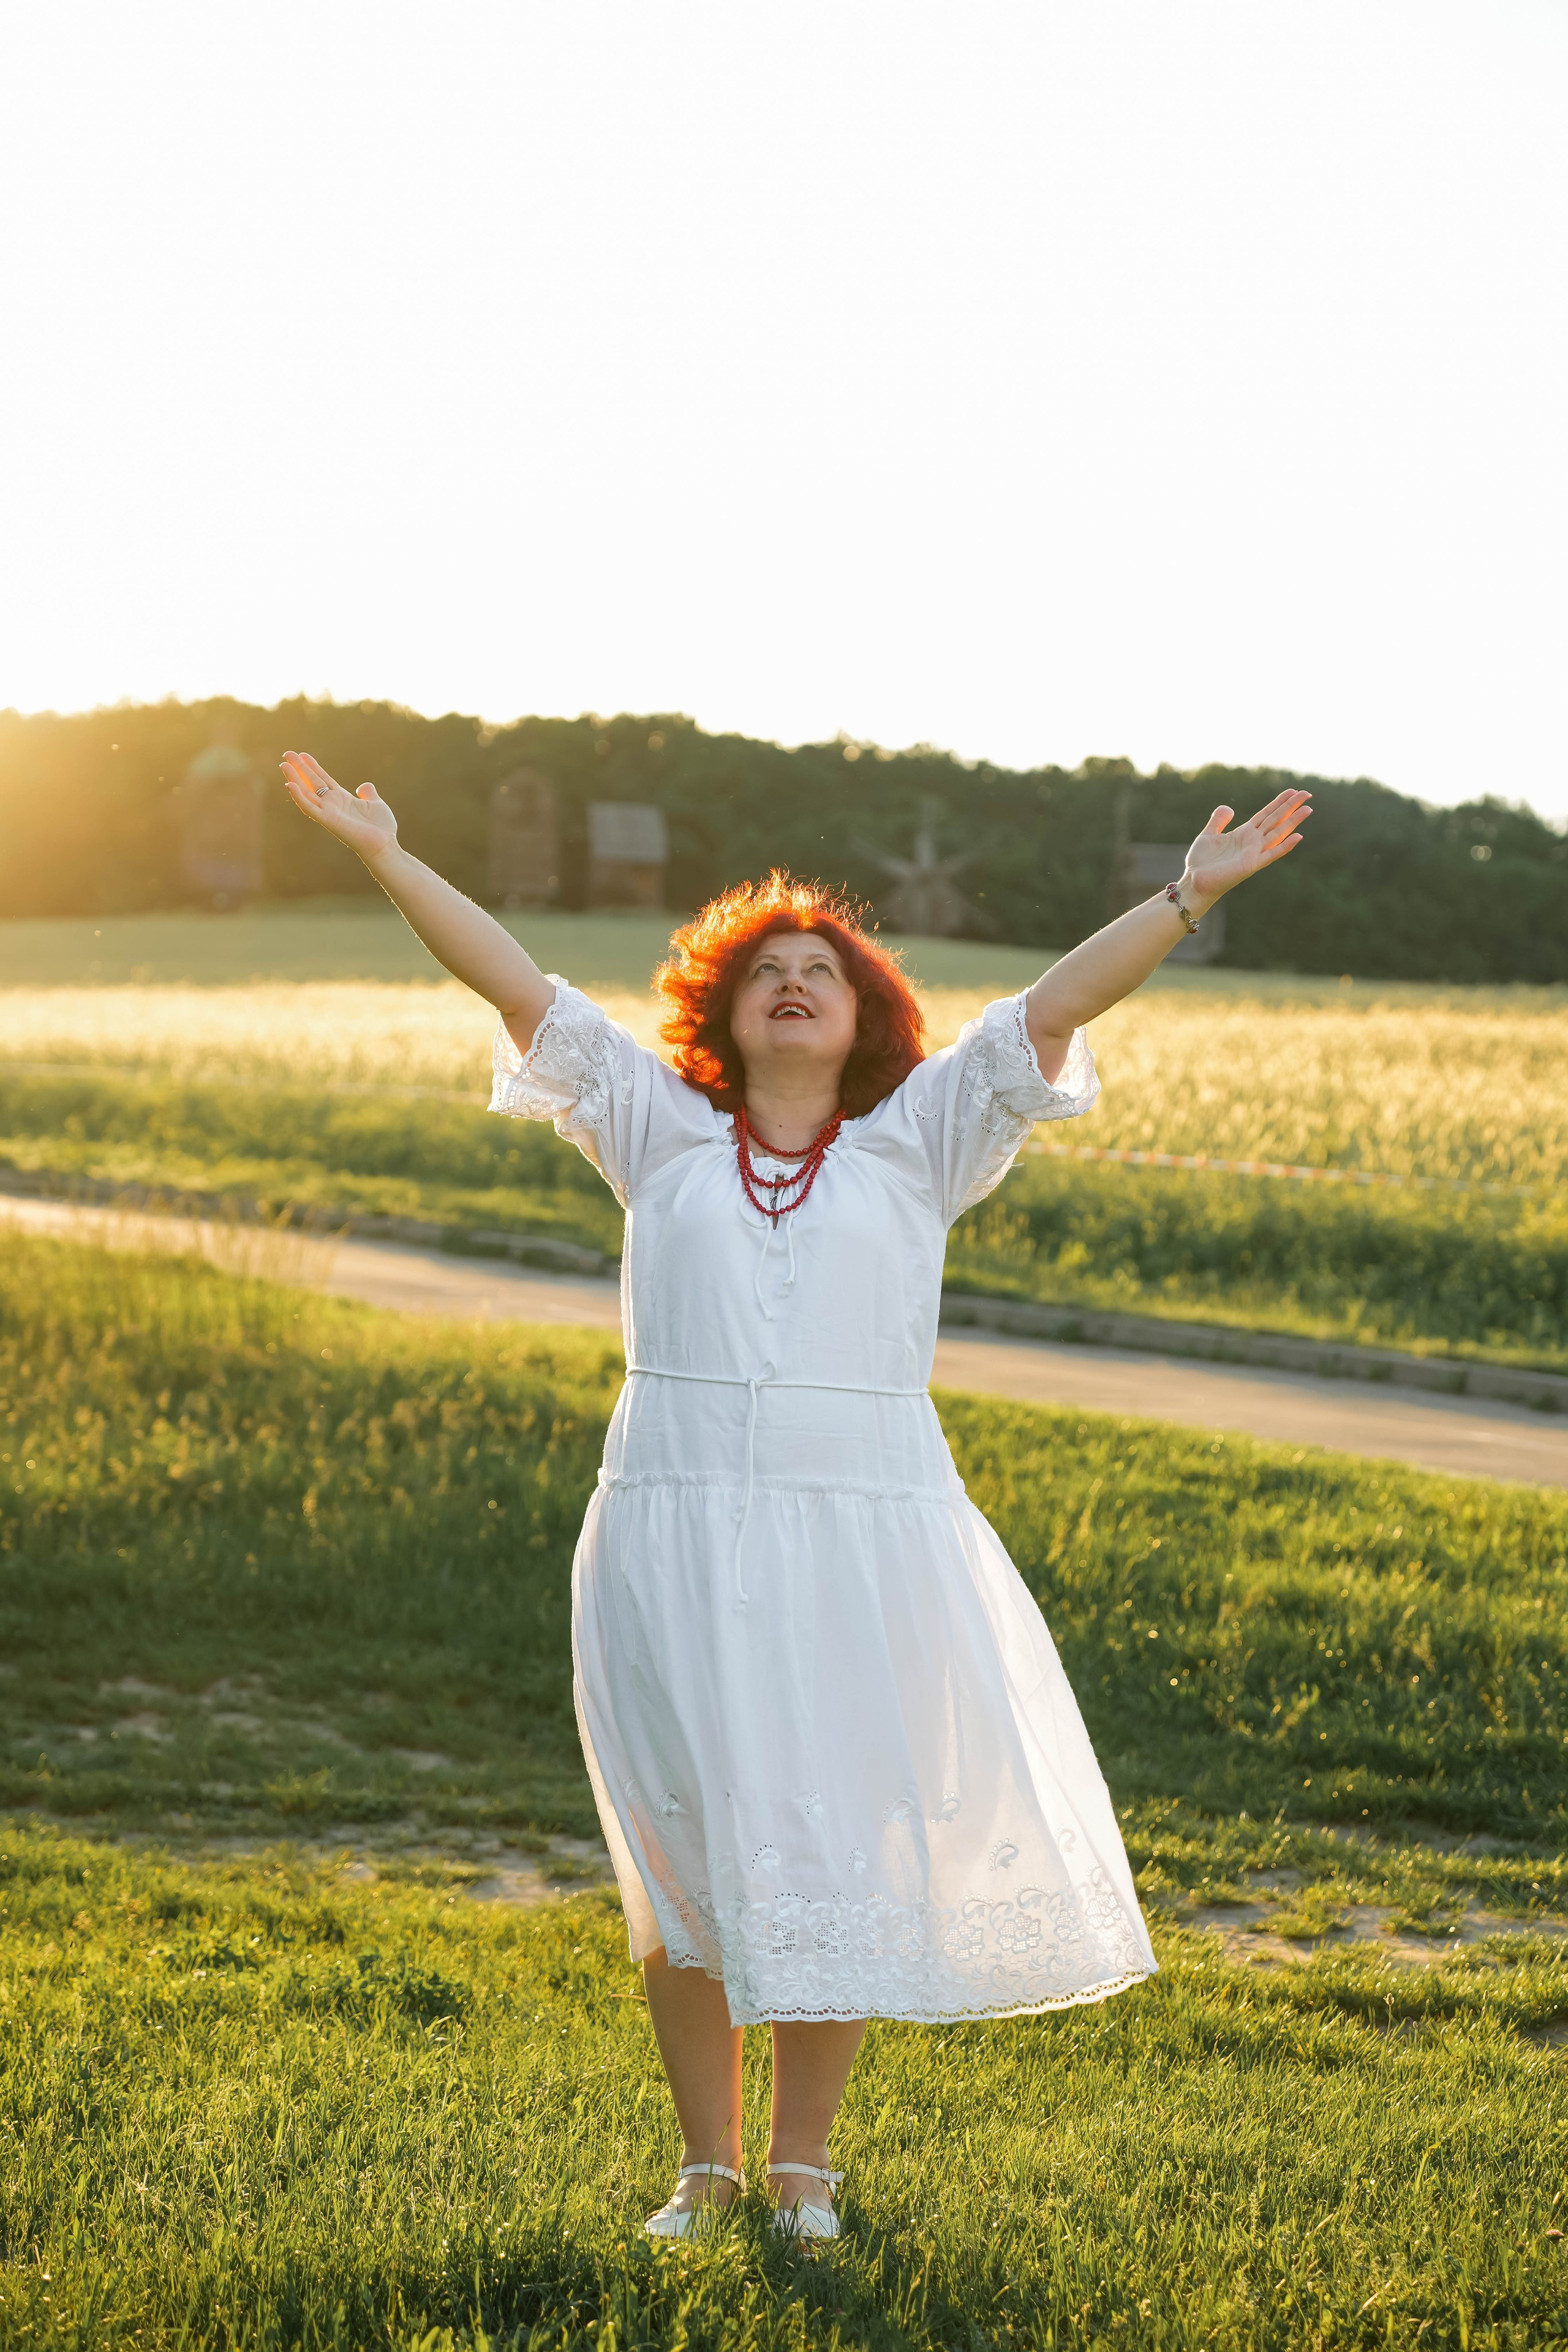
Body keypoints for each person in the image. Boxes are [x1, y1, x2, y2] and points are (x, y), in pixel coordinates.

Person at [279, 752, 1311, 2241]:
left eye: (818, 969)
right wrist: (386, 853)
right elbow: (511, 984)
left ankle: (800, 2167)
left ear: (862, 1012)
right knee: (683, 1856)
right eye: (763, 968)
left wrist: (1183, 898)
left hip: (864, 1531)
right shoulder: (652, 1128)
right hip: (669, 1524)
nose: (789, 982)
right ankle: (703, 2166)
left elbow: (1048, 1010)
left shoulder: (920, 1140)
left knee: (838, 1847)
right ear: (719, 1007)